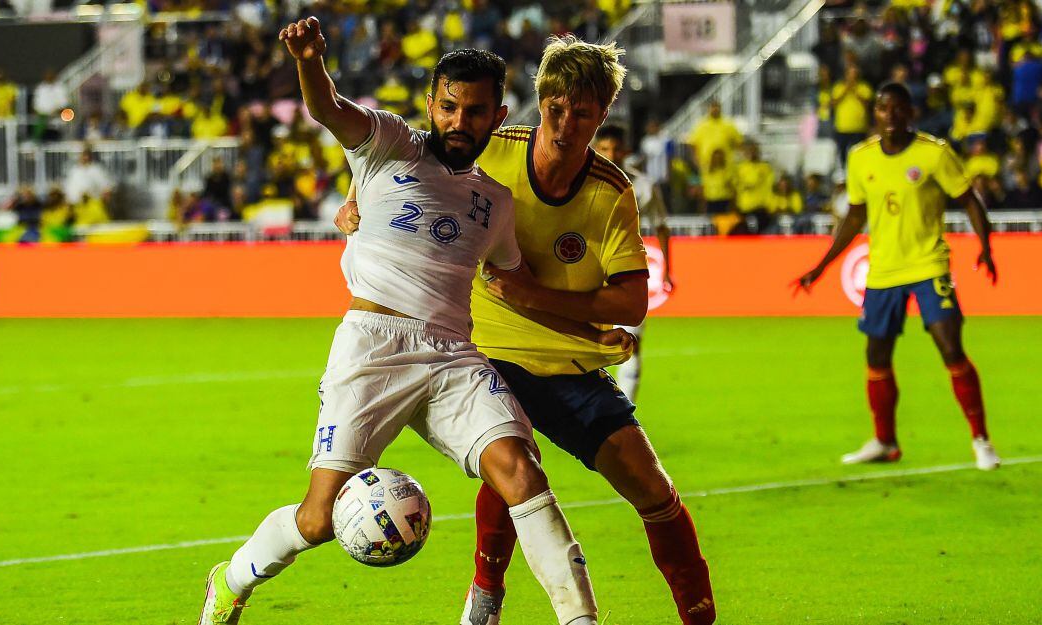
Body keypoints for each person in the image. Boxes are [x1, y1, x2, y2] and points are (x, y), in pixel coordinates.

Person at [199, 18, 616, 625]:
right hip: (373, 346)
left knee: (521, 470)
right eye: (448, 107)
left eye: (474, 112)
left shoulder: (495, 203)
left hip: (451, 353)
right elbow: (328, 108)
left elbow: (518, 291)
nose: (458, 122)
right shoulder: (388, 143)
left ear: (497, 117)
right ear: (430, 104)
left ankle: (580, 619)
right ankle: (230, 580)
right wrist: (311, 62)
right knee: (317, 520)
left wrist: (589, 334)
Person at [338, 35, 715, 625]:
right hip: (484, 353)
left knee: (654, 492)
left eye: (582, 113)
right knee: (511, 464)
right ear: (538, 105)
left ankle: (700, 617)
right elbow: (402, 152)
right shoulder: (492, 148)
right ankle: (485, 601)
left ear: (603, 114)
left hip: (567, 363)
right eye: (555, 109)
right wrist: (353, 194)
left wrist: (547, 303)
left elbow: (633, 301)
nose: (565, 125)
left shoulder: (610, 193)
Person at [795, 83, 1001, 471]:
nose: (891, 115)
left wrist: (986, 247)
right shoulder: (860, 158)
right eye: (883, 108)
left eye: (898, 108)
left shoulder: (934, 153)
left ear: (910, 112)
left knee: (950, 347)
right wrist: (821, 266)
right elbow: (855, 216)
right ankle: (884, 441)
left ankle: (981, 440)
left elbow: (969, 200)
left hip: (928, 265)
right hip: (883, 271)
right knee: (876, 355)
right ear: (876, 114)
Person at [592, 123, 672, 403]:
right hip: (589, 274)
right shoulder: (582, 179)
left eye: (615, 149)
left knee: (631, 345)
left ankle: (624, 414)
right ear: (596, 148)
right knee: (589, 345)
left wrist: (669, 271)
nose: (611, 154)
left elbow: (661, 226)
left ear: (626, 151)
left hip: (628, 273)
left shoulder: (643, 186)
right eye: (604, 149)